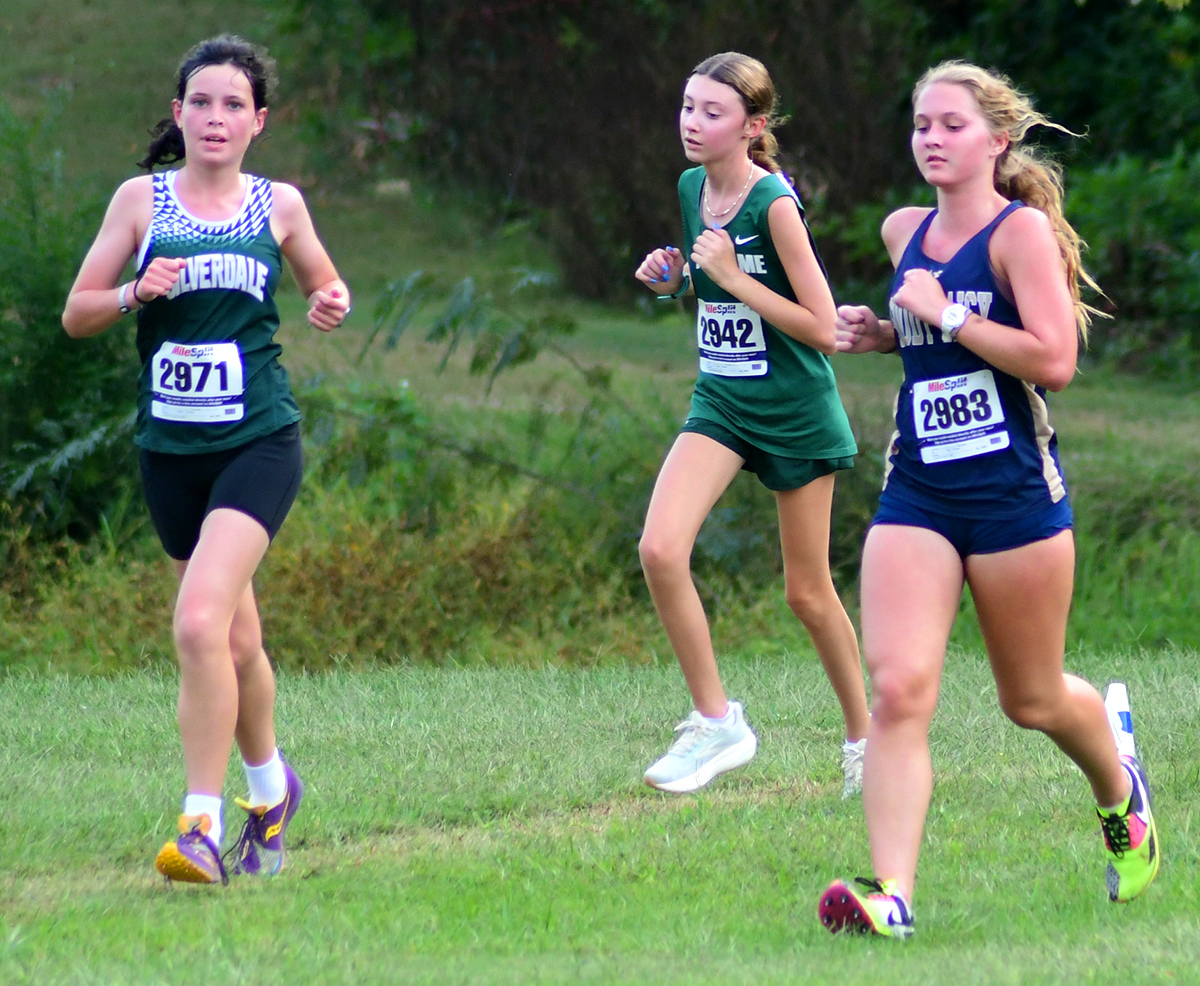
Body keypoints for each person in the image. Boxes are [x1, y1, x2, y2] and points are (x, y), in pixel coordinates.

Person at [817, 61, 1158, 938]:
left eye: (951, 125)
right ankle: (890, 893)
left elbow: (1054, 361)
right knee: (898, 691)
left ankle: (1120, 788)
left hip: (1012, 495)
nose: (931, 138)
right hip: (919, 491)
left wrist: (950, 315)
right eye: (921, 124)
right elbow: (935, 339)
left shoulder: (1019, 236)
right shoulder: (904, 231)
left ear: (997, 140)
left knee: (1032, 699)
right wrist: (889, 332)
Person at [62, 35, 349, 884]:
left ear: (259, 122)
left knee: (196, 625)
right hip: (171, 450)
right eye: (202, 102)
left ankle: (198, 825)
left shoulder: (281, 206)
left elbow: (324, 288)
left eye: (233, 105)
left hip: (258, 443)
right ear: (179, 112)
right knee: (235, 635)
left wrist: (331, 301)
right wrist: (131, 292)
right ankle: (271, 793)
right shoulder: (139, 202)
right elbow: (78, 312)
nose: (215, 118)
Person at [634, 52, 870, 798]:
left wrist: (735, 278)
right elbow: (710, 290)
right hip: (723, 402)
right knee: (660, 549)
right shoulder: (691, 186)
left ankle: (868, 739)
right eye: (686, 106)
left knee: (807, 593)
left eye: (711, 111)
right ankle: (717, 721)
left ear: (753, 125)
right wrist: (679, 281)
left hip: (795, 409)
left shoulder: (774, 203)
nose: (692, 123)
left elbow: (824, 326)